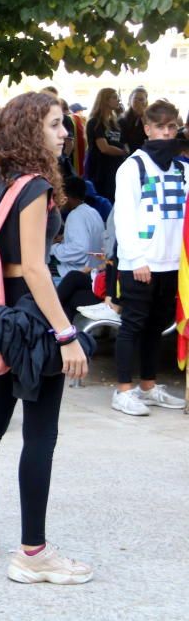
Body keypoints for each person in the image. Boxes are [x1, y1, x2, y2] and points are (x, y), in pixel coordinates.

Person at [0, 91, 92, 585]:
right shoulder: (34, 187)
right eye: (56, 125)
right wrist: (67, 333)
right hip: (32, 318)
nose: (64, 134)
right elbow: (34, 268)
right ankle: (33, 553)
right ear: (32, 129)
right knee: (40, 433)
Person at [110, 99, 187, 416]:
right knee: (133, 326)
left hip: (172, 262)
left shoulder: (183, 168)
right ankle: (123, 390)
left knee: (156, 327)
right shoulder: (133, 166)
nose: (166, 133)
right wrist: (137, 258)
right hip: (140, 262)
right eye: (160, 127)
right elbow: (124, 218)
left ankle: (149, 385)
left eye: (171, 127)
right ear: (147, 128)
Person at [50, 176, 105, 280]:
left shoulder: (75, 215)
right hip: (94, 270)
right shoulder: (92, 212)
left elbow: (80, 249)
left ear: (67, 196)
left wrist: (53, 248)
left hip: (77, 272)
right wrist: (64, 240)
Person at [84, 88, 127, 202]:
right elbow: (104, 148)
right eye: (114, 97)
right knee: (102, 200)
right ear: (105, 100)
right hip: (100, 170)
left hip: (115, 168)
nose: (118, 100)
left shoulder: (114, 122)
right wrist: (124, 152)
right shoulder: (95, 122)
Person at [118, 87, 149, 154]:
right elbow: (122, 141)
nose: (137, 101)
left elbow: (150, 136)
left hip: (147, 153)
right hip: (130, 154)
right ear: (130, 100)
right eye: (135, 98)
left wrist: (143, 115)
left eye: (141, 99)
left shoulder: (151, 118)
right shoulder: (123, 119)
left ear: (146, 102)